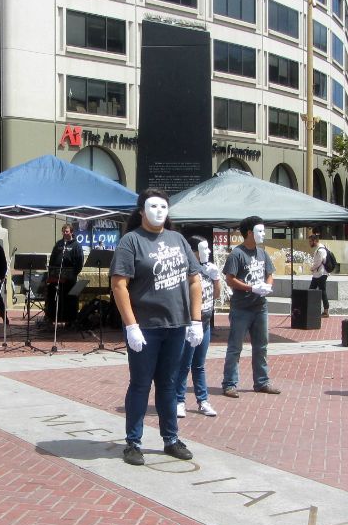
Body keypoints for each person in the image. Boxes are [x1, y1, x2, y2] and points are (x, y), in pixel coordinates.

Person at [110, 188, 203, 466]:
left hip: (176, 326)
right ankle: (133, 442)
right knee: (140, 384)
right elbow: (119, 284)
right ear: (141, 211)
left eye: (163, 207)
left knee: (169, 384)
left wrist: (196, 320)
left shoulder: (178, 239)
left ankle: (171, 439)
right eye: (153, 206)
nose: (159, 211)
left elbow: (195, 279)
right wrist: (131, 326)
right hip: (146, 327)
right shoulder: (131, 241)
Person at [221, 215, 280, 398]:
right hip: (241, 308)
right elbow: (229, 279)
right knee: (235, 347)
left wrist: (267, 286)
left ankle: (261, 382)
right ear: (249, 233)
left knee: (261, 345)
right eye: (260, 231)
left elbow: (270, 273)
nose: (263, 234)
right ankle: (229, 384)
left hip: (260, 306)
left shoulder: (263, 253)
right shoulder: (237, 254)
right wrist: (251, 287)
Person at [175, 236, 220, 418]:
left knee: (199, 365)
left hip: (206, 322)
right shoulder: (188, 270)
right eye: (203, 248)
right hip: (190, 324)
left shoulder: (208, 269)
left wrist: (216, 278)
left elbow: (215, 295)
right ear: (193, 251)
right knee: (184, 364)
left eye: (208, 249)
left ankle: (203, 400)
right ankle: (179, 400)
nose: (208, 252)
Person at [45, 223, 84, 326]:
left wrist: (73, 274)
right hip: (57, 276)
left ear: (71, 232)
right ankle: (52, 317)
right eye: (63, 231)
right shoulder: (58, 244)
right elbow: (52, 259)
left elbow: (80, 263)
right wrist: (52, 272)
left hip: (70, 278)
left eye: (67, 231)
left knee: (70, 299)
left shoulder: (76, 246)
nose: (65, 233)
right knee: (53, 296)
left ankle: (70, 320)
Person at [308, 233, 329, 318]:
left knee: (321, 291)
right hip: (318, 274)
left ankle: (326, 311)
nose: (309, 243)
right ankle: (310, 309)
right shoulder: (320, 248)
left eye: (310, 241)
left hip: (321, 273)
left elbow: (318, 262)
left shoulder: (320, 250)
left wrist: (312, 268)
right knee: (312, 291)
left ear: (315, 241)